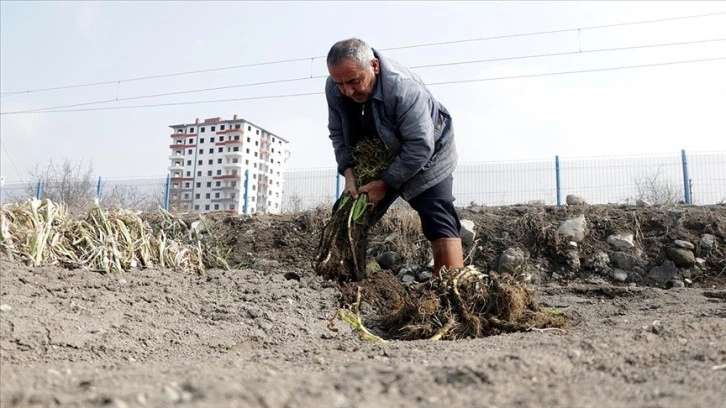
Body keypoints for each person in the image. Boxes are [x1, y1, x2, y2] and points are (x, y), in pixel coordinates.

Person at [325, 38, 464, 275]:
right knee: (348, 214)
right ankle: (343, 282)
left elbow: (420, 146)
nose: (347, 91)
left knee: (437, 215)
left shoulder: (403, 88)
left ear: (375, 66)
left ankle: (451, 287)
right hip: (378, 155)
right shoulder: (335, 87)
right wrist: (349, 174)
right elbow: (338, 133)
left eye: (354, 81)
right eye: (340, 83)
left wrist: (386, 184)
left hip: (429, 154)